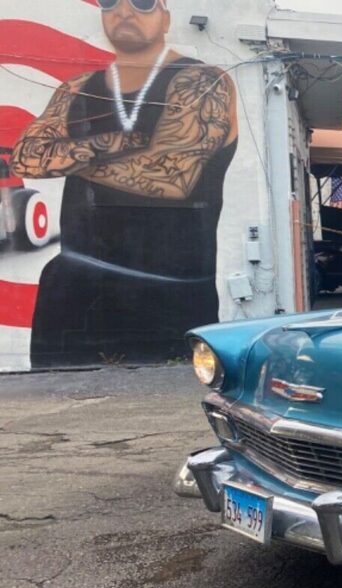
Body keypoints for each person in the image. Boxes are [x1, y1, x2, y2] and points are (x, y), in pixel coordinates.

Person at [12, 0, 237, 367]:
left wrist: (71, 159)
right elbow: (26, 156)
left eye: (143, 2)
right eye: (110, 2)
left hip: (170, 296)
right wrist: (121, 143)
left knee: (166, 417)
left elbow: (171, 176)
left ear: (166, 16)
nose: (124, 11)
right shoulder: (77, 89)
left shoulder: (202, 81)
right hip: (72, 304)